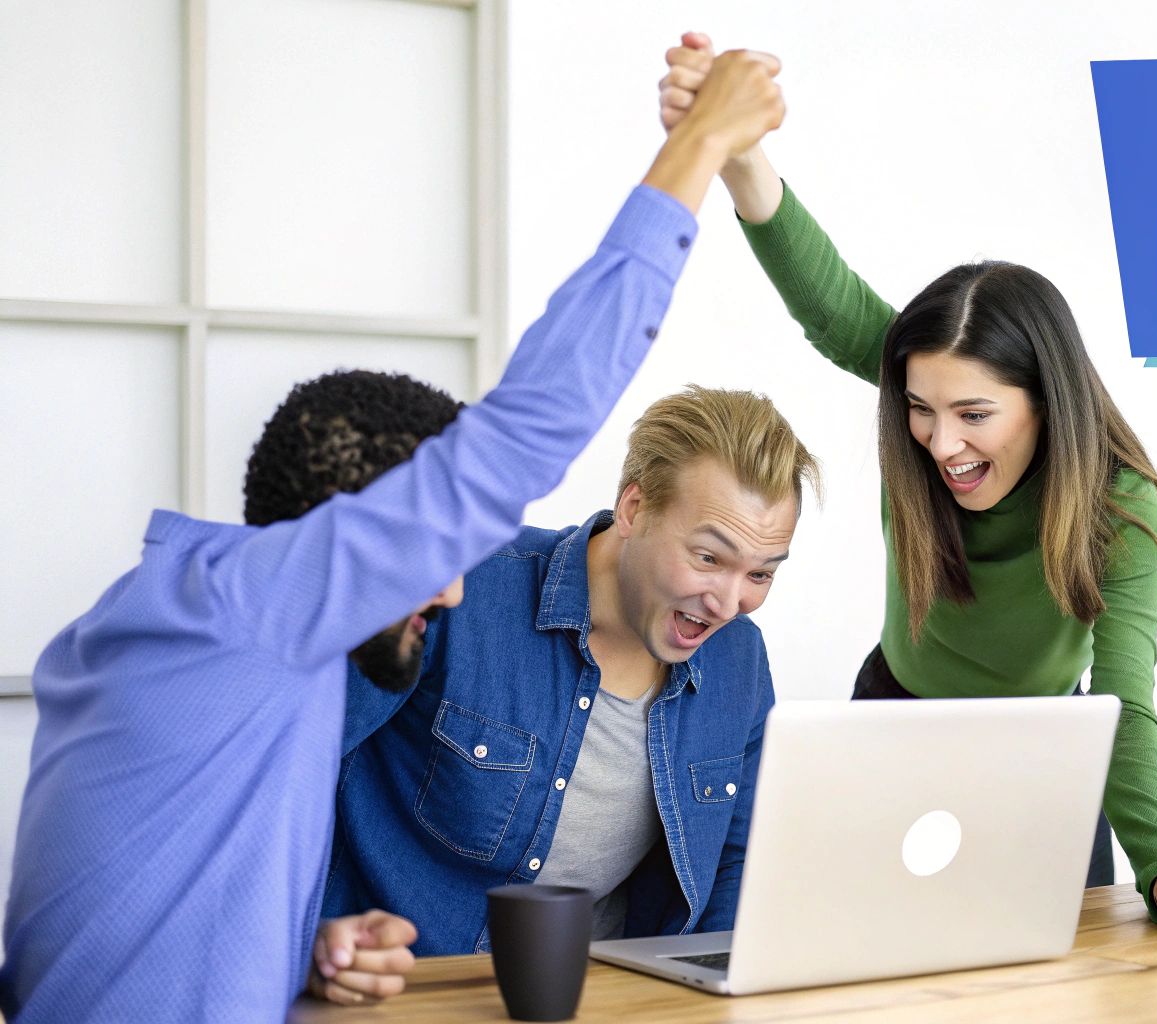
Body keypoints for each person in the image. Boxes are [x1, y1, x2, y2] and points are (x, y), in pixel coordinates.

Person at [0, 48, 786, 1023]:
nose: (454, 592)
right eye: (432, 556)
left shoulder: (191, 630)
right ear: (349, 541)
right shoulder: (254, 607)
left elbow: (163, 907)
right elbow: (530, 423)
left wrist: (304, 947)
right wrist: (701, 141)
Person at [660, 34, 1157, 928]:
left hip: (1048, 751)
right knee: (860, 949)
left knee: (1068, 971)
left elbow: (1123, 702)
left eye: (974, 416)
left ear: (1048, 402)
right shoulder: (925, 435)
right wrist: (735, 151)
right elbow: (829, 298)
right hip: (894, 724)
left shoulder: (1121, 510)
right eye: (919, 407)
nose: (940, 442)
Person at [324, 386, 817, 952]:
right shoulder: (461, 592)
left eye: (760, 575)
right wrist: (306, 942)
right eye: (709, 558)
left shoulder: (740, 660)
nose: (728, 604)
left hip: (606, 991)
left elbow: (742, 856)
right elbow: (295, 769)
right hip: (406, 982)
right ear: (634, 509)